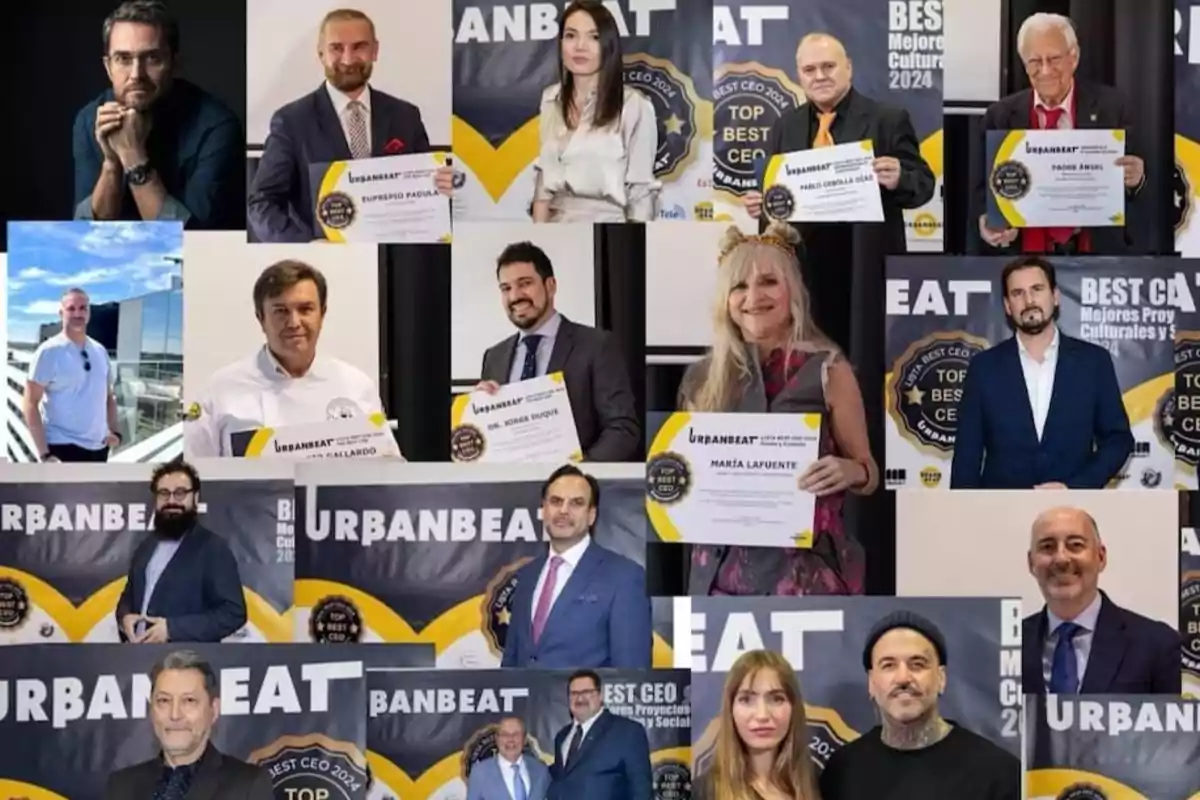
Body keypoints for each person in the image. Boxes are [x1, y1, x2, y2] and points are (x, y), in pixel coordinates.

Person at [681, 223, 878, 596]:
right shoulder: (701, 378)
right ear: (725, 300)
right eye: (739, 286)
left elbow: (869, 472)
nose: (753, 296)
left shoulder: (829, 370)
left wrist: (848, 469)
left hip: (807, 578)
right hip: (719, 579)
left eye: (768, 281)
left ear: (793, 291)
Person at [743, 32, 935, 349]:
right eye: (809, 70)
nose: (819, 76)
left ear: (848, 67)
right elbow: (777, 198)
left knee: (862, 362)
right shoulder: (784, 126)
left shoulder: (887, 119)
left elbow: (923, 185)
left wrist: (900, 177)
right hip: (803, 270)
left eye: (828, 66)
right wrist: (761, 204)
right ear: (799, 76)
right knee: (803, 361)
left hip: (862, 268)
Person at [248, 8, 453, 242]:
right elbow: (261, 203)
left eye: (359, 47)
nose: (348, 59)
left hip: (395, 257)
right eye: (337, 48)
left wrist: (444, 188)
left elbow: (430, 193)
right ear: (321, 54)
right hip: (327, 259)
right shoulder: (291, 121)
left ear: (374, 51)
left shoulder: (406, 116)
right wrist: (307, 246)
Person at [183, 260, 397, 458]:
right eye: (281, 311)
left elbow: (388, 468)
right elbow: (196, 476)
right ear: (261, 318)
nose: (294, 322)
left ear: (322, 314)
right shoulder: (219, 390)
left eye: (305, 309)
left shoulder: (356, 385)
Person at [950, 256, 1132, 489]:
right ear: (1007, 306)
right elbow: (967, 451)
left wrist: (1076, 487)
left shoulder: (1093, 361)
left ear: (1055, 297)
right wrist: (960, 516)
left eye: (1037, 289)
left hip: (1073, 510)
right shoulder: (984, 367)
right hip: (1002, 511)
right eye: (1017, 293)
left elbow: (1118, 440)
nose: (1029, 300)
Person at [977, 13, 1146, 255]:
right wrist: (990, 223)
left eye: (1054, 58)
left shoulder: (1113, 107)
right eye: (1034, 61)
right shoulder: (999, 116)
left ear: (1073, 57)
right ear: (1024, 65)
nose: (1045, 70)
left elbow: (1143, 192)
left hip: (1096, 254)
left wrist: (1137, 178)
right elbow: (982, 193)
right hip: (1024, 258)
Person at [74, 0, 243, 228]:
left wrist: (132, 154)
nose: (136, 75)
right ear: (108, 67)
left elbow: (195, 245)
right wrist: (112, 165)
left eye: (152, 58)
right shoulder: (89, 120)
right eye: (123, 59)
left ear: (174, 64)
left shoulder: (217, 128)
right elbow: (83, 236)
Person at [819, 611, 1020, 799]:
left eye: (917, 664)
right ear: (872, 682)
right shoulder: (842, 771)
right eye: (888, 665)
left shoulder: (998, 772)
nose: (903, 678)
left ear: (941, 678)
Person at [476, 241, 641, 462]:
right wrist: (477, 413)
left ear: (551, 286)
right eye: (506, 288)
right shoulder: (494, 357)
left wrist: (578, 473)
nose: (515, 296)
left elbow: (623, 428)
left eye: (524, 284)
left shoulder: (596, 345)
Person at [502, 465, 652, 668]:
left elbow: (631, 675)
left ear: (591, 515)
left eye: (576, 503)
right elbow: (511, 661)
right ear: (544, 510)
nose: (563, 510)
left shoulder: (625, 577)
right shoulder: (527, 575)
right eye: (555, 501)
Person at [1023, 506, 1182, 695]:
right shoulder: (1000, 645)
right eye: (1047, 547)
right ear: (1031, 563)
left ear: (1100, 557)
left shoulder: (1159, 644)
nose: (1061, 558)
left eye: (1075, 545)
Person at [533, 0, 659, 222]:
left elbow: (641, 196)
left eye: (594, 37)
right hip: (556, 226)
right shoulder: (550, 99)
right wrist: (539, 233)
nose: (580, 46)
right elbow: (544, 185)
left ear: (608, 46)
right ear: (561, 42)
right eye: (571, 35)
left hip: (610, 226)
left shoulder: (634, 105)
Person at [105, 650, 274, 798]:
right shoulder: (121, 786)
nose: (175, 714)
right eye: (164, 700)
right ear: (151, 709)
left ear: (213, 710)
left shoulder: (248, 784)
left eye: (189, 701)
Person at [114, 459, 247, 643]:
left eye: (180, 493)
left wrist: (172, 629)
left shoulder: (213, 547)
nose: (171, 501)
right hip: (139, 656)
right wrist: (124, 618)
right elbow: (129, 595)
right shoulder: (146, 546)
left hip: (186, 661)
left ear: (196, 498)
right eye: (164, 493)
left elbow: (233, 613)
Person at [692, 650, 820, 800]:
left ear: (793, 707)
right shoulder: (701, 794)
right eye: (746, 700)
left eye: (776, 699)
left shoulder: (815, 786)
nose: (762, 715)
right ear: (731, 710)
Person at [22, 288, 121, 463]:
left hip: (99, 448)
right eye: (71, 308)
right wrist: (44, 454)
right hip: (62, 449)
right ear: (61, 313)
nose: (78, 313)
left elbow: (108, 397)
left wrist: (115, 432)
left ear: (89, 313)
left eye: (83, 308)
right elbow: (30, 403)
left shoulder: (100, 351)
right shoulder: (48, 352)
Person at [547, 670, 652, 800]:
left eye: (586, 692)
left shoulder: (628, 731)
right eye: (574, 693)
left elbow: (641, 790)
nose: (579, 698)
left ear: (600, 696)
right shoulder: (562, 737)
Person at [467, 716, 551, 800]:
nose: (510, 739)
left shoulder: (541, 770)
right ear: (497, 739)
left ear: (524, 739)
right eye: (505, 734)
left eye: (516, 734)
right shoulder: (480, 772)